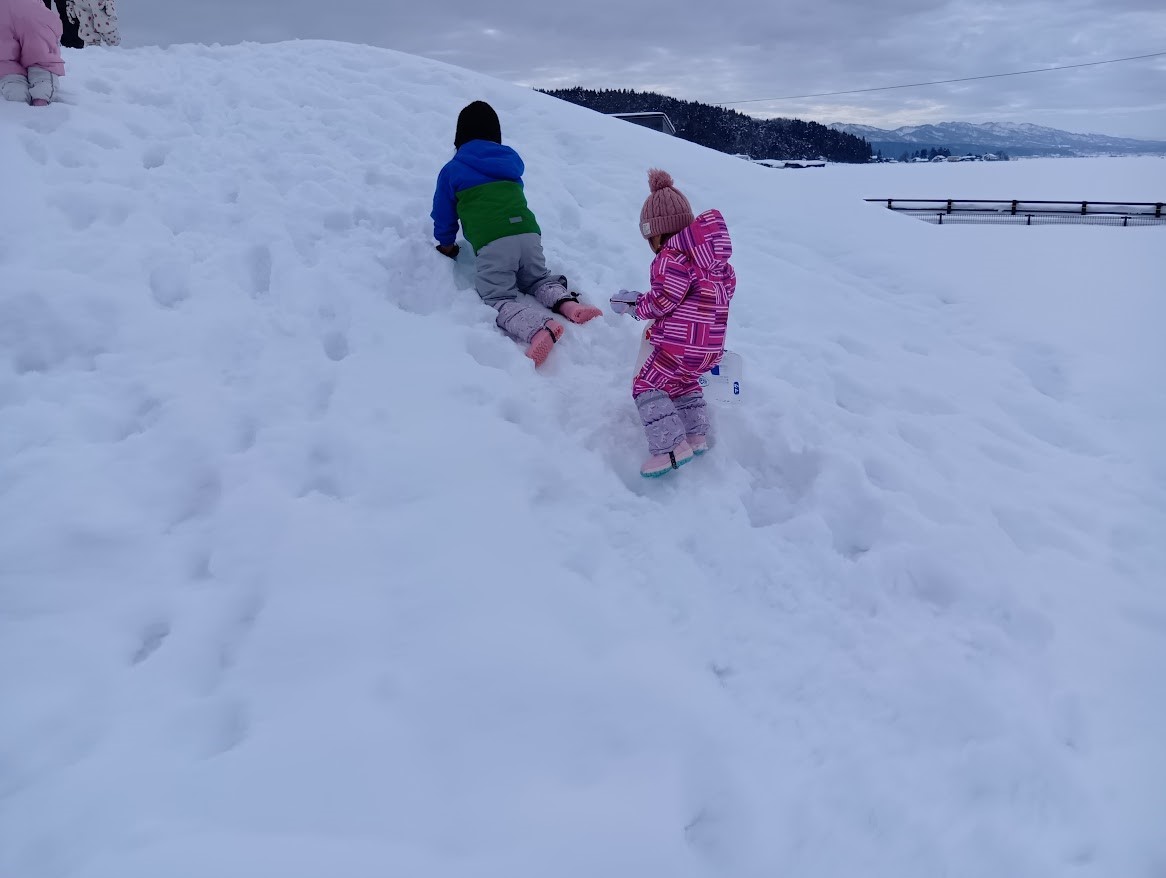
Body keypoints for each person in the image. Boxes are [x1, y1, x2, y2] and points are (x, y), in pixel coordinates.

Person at [431, 100, 602, 366]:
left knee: (497, 297)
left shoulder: (452, 170)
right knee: (537, 279)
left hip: (494, 241)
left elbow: (444, 214)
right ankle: (570, 305)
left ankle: (538, 328)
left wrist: (446, 244)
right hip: (528, 233)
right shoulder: (508, 164)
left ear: (460, 137)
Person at [610, 169, 737, 478]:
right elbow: (727, 290)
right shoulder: (715, 261)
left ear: (657, 233)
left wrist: (635, 305)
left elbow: (663, 301)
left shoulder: (671, 257)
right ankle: (696, 437)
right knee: (683, 383)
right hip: (709, 349)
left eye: (649, 239)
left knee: (647, 384)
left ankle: (669, 449)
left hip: (679, 345)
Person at [1, 0, 64, 106]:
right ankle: (43, 90)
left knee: (5, 58)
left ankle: (14, 88)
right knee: (41, 53)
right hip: (29, 8)